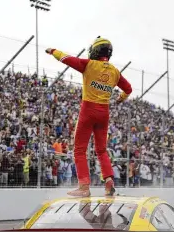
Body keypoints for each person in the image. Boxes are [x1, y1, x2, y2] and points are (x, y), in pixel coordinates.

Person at [45, 36, 132, 197]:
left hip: (88, 110)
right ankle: (109, 184)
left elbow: (67, 59)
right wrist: (120, 98)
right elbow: (128, 89)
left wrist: (52, 51)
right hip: (104, 113)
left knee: (79, 150)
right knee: (101, 150)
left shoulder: (89, 64)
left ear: (95, 50)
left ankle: (84, 187)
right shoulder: (114, 71)